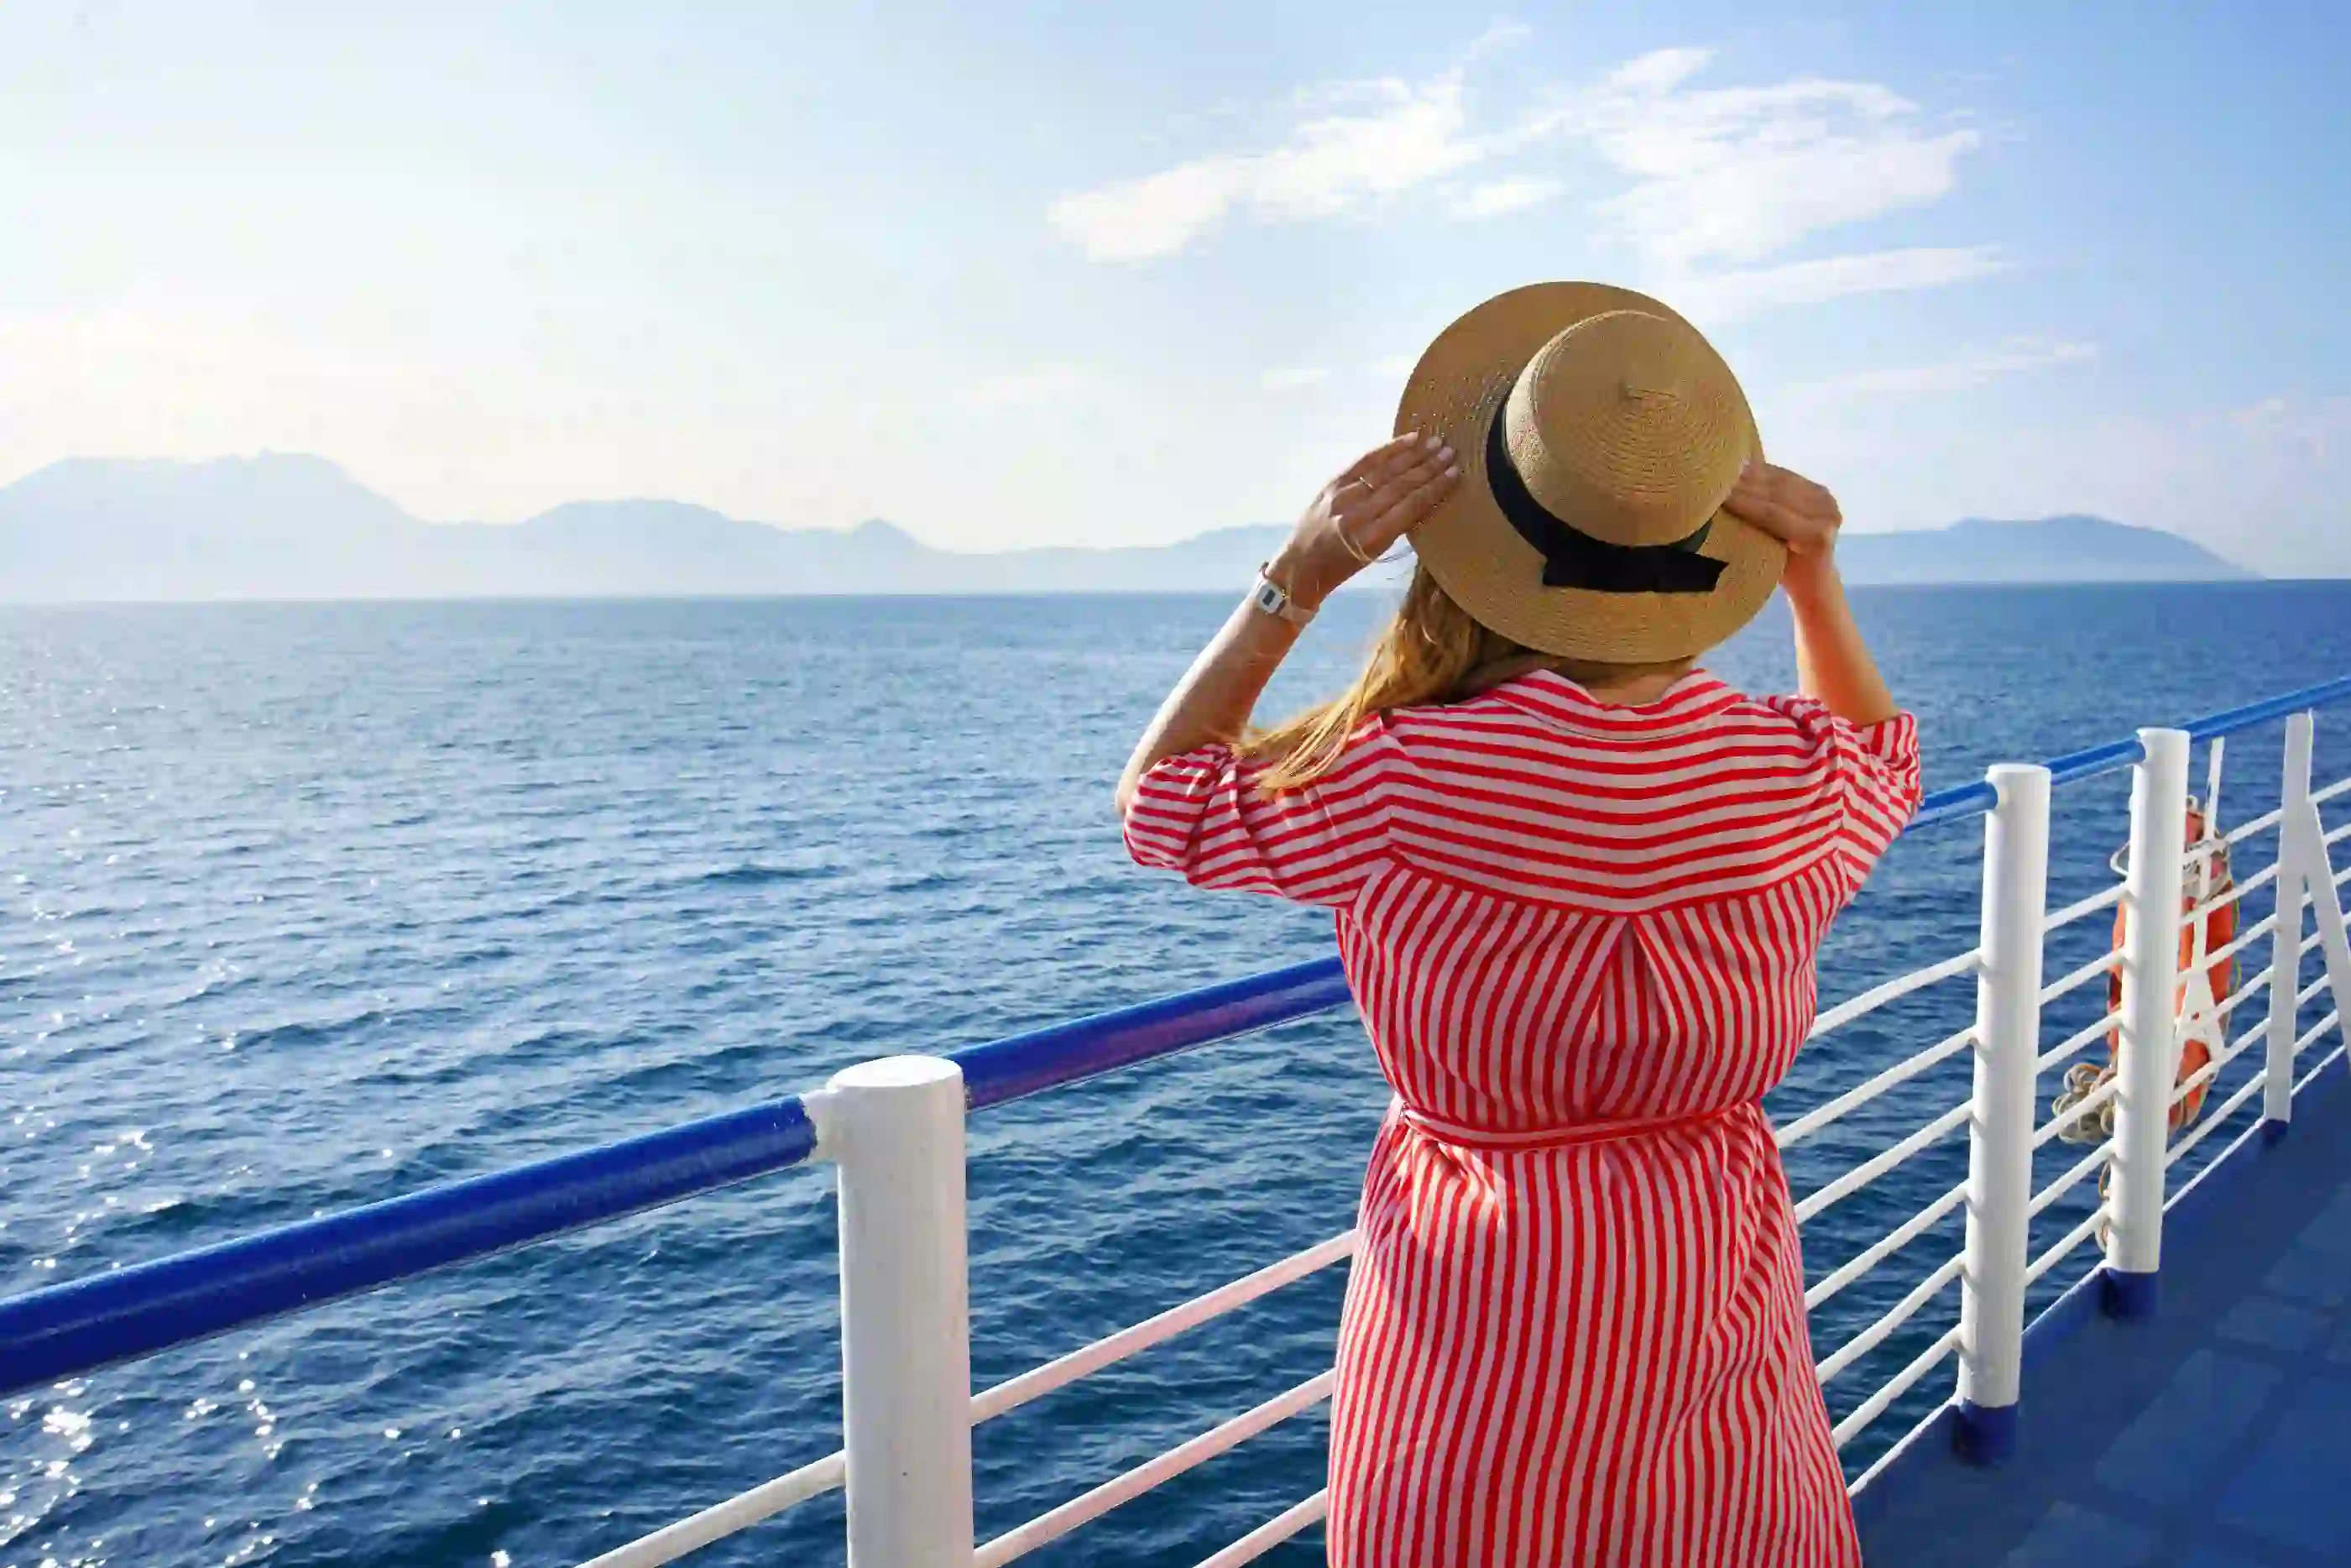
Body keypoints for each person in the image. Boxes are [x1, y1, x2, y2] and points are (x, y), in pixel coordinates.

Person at [1116, 284, 1917, 1567]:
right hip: (1707, 1289)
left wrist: (1297, 577)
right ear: (1711, 539)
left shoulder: (1397, 775)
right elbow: (1887, 756)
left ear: (1477, 542)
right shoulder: (1788, 774)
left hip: (1480, 1318)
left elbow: (1165, 806)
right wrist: (1817, 581)